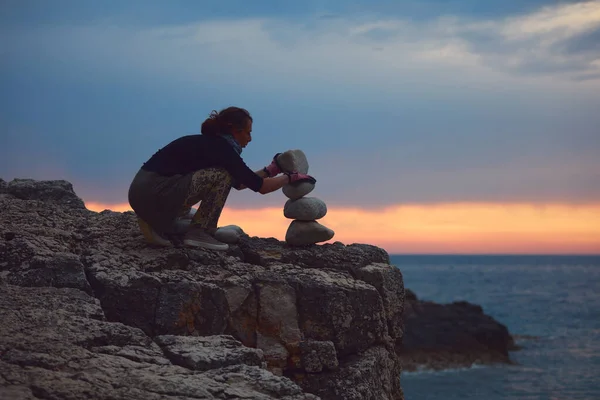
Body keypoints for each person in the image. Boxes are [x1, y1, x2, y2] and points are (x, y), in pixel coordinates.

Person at [128, 106, 315, 251]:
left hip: (146, 194)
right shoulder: (222, 149)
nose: (250, 138)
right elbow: (260, 187)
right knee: (221, 176)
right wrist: (290, 178)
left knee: (222, 176)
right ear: (234, 130)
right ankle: (200, 232)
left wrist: (271, 170)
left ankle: (162, 221)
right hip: (153, 194)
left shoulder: (213, 145)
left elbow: (241, 183)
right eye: (247, 132)